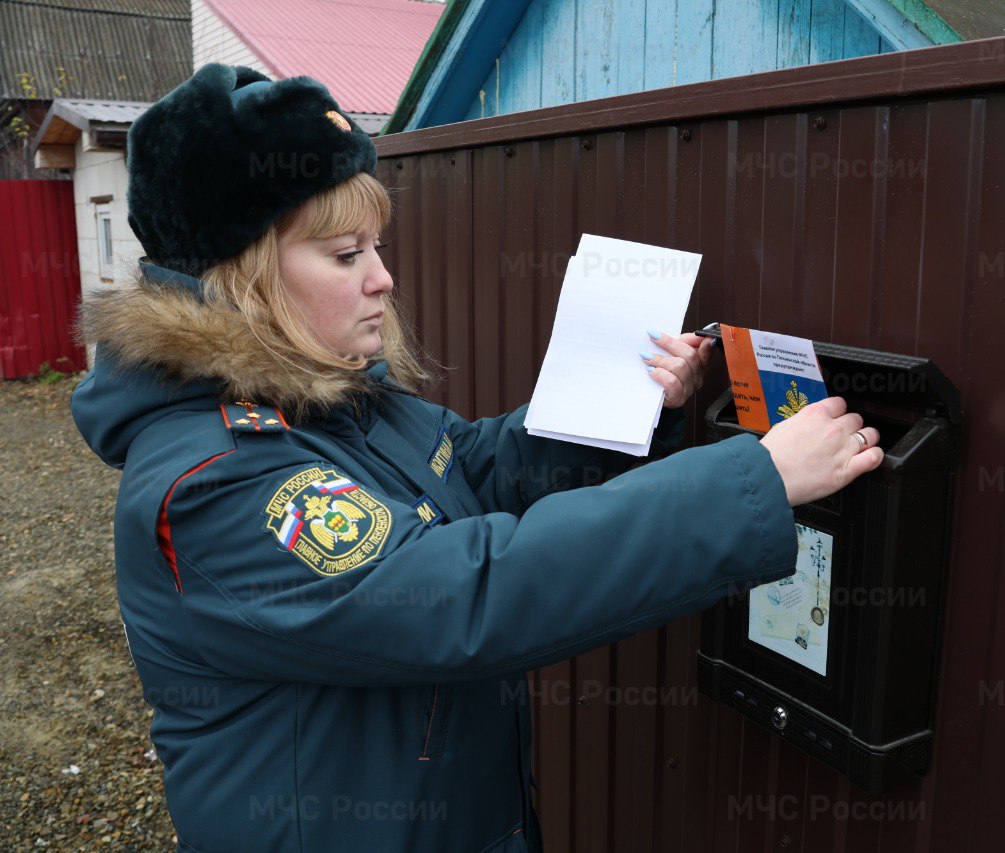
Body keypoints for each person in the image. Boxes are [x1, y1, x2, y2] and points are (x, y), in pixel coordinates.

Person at [71, 64, 884, 852]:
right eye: (348, 254)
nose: (383, 279)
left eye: (377, 248)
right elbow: (464, 592)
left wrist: (637, 405)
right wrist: (755, 482)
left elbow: (479, 467)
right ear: (243, 277)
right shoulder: (214, 478)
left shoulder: (343, 405)